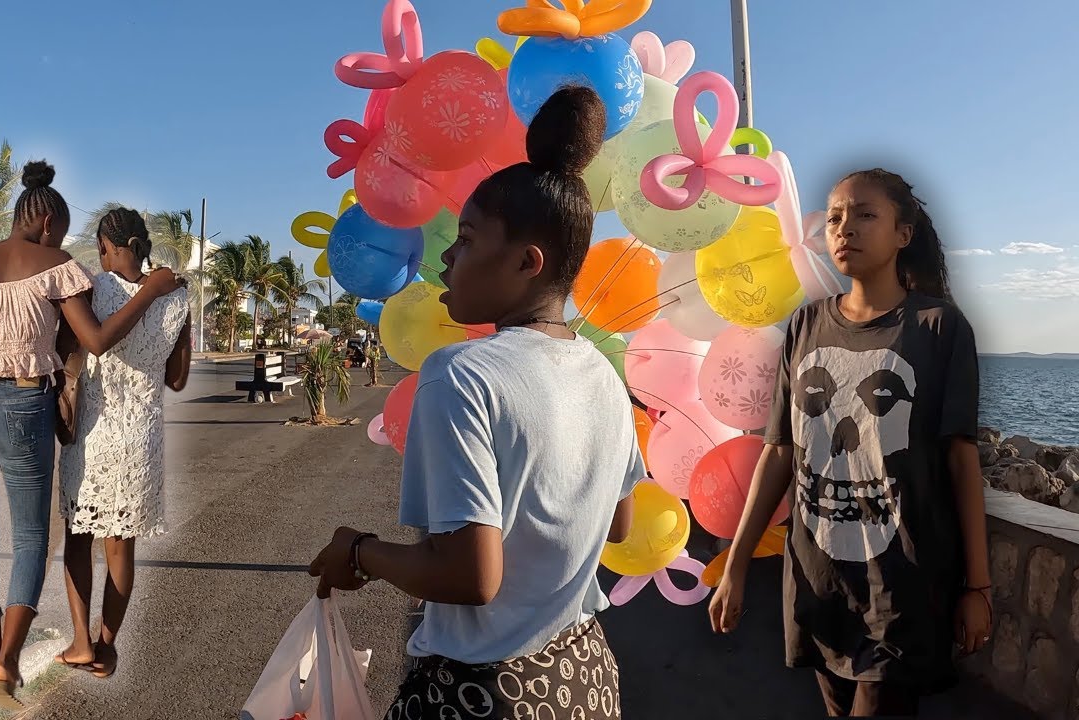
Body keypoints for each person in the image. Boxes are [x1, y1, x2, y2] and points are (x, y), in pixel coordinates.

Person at [309, 86, 643, 719]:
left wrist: (358, 551)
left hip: (484, 694)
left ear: (526, 262)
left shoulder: (460, 375)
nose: (446, 257)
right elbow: (618, 527)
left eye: (465, 238)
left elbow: (470, 578)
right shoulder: (602, 370)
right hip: (582, 674)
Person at [708, 169, 991, 717]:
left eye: (865, 215)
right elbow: (780, 450)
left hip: (901, 590)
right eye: (835, 216)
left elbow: (961, 459)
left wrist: (976, 587)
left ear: (903, 234)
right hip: (818, 581)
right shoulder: (806, 325)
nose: (845, 228)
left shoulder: (938, 328)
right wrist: (736, 563)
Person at [0, 161, 183, 709]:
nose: (63, 244)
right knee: (32, 539)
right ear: (47, 225)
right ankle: (10, 659)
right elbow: (96, 339)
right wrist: (153, 290)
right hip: (23, 404)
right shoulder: (56, 265)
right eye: (62, 234)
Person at [55, 207, 192, 678]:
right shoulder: (179, 300)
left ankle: (80, 643)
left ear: (107, 247)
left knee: (78, 538)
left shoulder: (96, 288)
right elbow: (177, 378)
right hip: (142, 437)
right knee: (121, 547)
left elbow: (78, 347)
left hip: (94, 434)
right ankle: (107, 647)